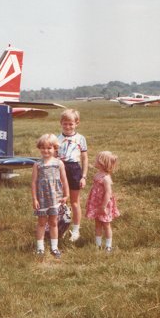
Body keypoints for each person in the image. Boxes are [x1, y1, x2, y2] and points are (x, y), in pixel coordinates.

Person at [32, 134, 70, 258]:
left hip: (56, 198)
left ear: (55, 149)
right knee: (41, 222)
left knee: (53, 222)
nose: (46, 151)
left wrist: (66, 195)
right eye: (43, 148)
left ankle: (54, 247)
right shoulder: (37, 165)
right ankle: (40, 248)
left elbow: (64, 180)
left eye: (49, 148)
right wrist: (34, 198)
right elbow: (33, 182)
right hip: (42, 198)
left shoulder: (59, 163)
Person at [57, 109, 88, 242]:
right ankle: (60, 227)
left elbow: (85, 158)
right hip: (60, 168)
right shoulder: (56, 139)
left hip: (74, 169)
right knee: (60, 201)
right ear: (61, 123)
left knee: (74, 202)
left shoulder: (81, 138)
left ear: (77, 123)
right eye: (65, 124)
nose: (68, 126)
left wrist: (84, 176)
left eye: (71, 124)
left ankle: (76, 230)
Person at [85, 151, 120, 252]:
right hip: (96, 203)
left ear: (102, 163)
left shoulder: (106, 178)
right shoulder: (98, 175)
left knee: (106, 224)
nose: (95, 161)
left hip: (103, 204)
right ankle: (98, 244)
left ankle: (108, 246)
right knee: (97, 223)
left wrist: (103, 206)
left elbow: (108, 193)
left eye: (97, 159)